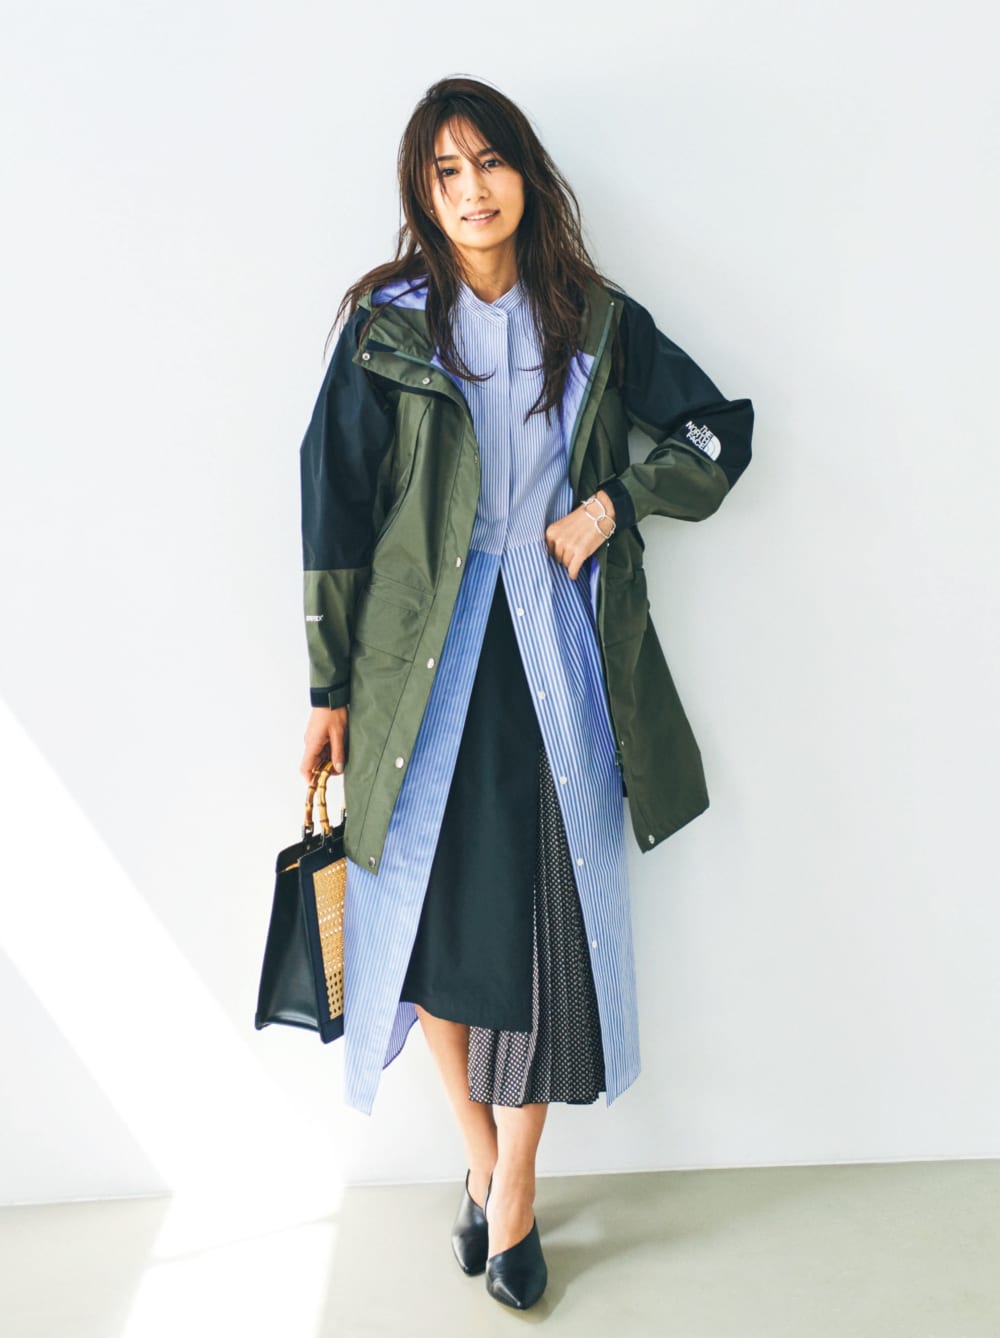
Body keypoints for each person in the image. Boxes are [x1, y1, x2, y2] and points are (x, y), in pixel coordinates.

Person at [296, 75, 754, 1311]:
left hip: (555, 647)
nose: (472, 190)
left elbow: (718, 431)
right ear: (422, 193)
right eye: (445, 172)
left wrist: (611, 504)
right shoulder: (388, 327)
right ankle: (482, 1159)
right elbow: (332, 505)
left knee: (549, 920)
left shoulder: (594, 319)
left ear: (525, 175)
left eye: (489, 162)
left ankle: (514, 1186)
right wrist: (327, 687)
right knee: (428, 923)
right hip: (413, 667)